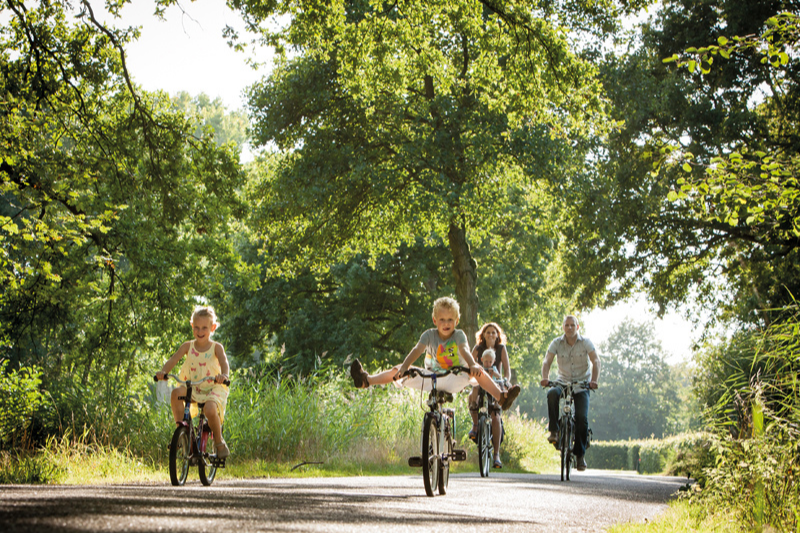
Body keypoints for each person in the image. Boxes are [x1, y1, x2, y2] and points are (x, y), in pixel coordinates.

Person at [349, 297, 521, 413]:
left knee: (478, 372)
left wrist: (472, 364)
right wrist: (404, 366)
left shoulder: (458, 335)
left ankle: (501, 397)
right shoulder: (429, 335)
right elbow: (417, 350)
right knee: (397, 371)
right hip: (432, 377)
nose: (446, 324)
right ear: (434, 320)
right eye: (442, 320)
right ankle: (366, 380)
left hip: (455, 376)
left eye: (450, 320)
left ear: (456, 321)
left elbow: (464, 350)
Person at [156, 306, 231, 459]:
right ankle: (182, 434)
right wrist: (163, 372)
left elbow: (224, 363)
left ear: (212, 328)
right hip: (193, 387)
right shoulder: (187, 346)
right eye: (196, 327)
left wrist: (223, 375)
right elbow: (173, 359)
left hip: (212, 387)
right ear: (192, 326)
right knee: (176, 393)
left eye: (204, 327)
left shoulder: (216, 347)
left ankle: (219, 441)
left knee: (210, 409)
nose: (200, 331)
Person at [540, 314, 600, 472]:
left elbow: (596, 361)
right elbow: (547, 361)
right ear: (563, 327)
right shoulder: (556, 343)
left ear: (578, 327)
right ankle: (554, 431)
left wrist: (594, 380)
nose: (569, 328)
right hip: (563, 382)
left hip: (582, 384)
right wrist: (545, 378)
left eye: (573, 325)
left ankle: (580, 455)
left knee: (581, 417)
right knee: (552, 393)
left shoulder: (586, 342)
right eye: (567, 325)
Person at [467, 322, 511, 468]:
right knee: (472, 395)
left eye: (493, 332)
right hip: (479, 382)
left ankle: (496, 455)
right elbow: (469, 364)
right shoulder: (478, 349)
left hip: (496, 383)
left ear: (497, 335)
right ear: (483, 335)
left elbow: (507, 369)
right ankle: (475, 425)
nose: (491, 334)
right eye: (488, 332)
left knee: (496, 416)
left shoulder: (501, 349)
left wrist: (506, 382)